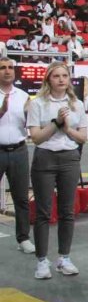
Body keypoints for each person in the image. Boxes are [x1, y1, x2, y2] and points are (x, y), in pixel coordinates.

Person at [27, 62, 88, 279]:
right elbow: (36, 137)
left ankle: (64, 258)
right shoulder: (38, 104)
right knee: (44, 212)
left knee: (67, 212)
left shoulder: (77, 104)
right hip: (44, 158)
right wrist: (56, 123)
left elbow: (83, 137)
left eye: (65, 75)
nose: (61, 79)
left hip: (69, 159)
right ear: (48, 80)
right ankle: (42, 261)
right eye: (56, 76)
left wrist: (67, 129)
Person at [0, 57, 35, 254]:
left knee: (21, 198)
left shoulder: (23, 96)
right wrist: (1, 111)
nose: (7, 71)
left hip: (19, 150)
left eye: (10, 68)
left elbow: (30, 123)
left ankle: (23, 238)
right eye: (2, 68)